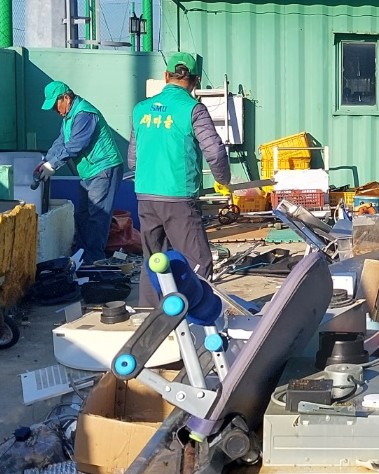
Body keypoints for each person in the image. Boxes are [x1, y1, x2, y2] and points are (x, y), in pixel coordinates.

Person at [128, 52, 232, 306]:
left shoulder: (141, 109)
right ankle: (194, 317)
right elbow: (215, 151)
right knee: (197, 260)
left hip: (145, 195)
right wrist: (224, 180)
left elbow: (133, 158)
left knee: (154, 259)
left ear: (166, 76)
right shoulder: (193, 110)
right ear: (196, 81)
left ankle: (150, 319)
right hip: (177, 197)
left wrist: (146, 182)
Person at [35, 81, 125, 263]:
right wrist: (46, 160)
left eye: (55, 105)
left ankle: (93, 260)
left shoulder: (84, 114)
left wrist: (53, 166)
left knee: (97, 216)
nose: (55, 110)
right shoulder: (69, 117)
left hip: (104, 168)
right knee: (83, 215)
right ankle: (81, 257)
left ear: (66, 98)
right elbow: (61, 142)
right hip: (89, 171)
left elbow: (76, 145)